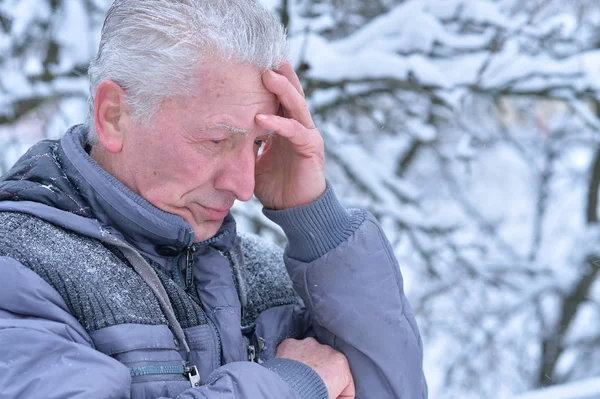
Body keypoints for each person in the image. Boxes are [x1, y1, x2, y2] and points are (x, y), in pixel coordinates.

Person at [0, 0, 427, 398]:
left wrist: (316, 221)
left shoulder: (263, 277)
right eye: (217, 139)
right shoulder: (18, 271)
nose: (243, 186)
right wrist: (292, 387)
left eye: (259, 143)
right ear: (114, 116)